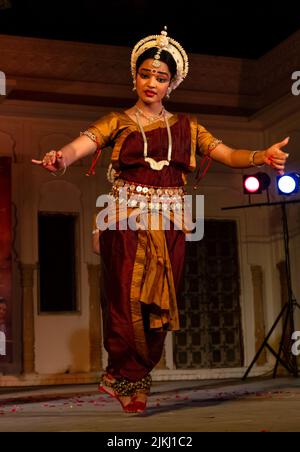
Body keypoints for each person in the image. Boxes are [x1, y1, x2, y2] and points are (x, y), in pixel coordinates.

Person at [32, 27, 289, 413]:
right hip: (125, 220)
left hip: (170, 222)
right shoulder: (117, 121)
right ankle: (124, 375)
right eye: (146, 74)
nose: (152, 83)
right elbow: (79, 145)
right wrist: (61, 158)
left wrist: (260, 156)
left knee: (158, 306)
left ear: (173, 84)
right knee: (123, 300)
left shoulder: (190, 126)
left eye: (161, 77)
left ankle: (136, 377)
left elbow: (228, 153)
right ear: (134, 76)